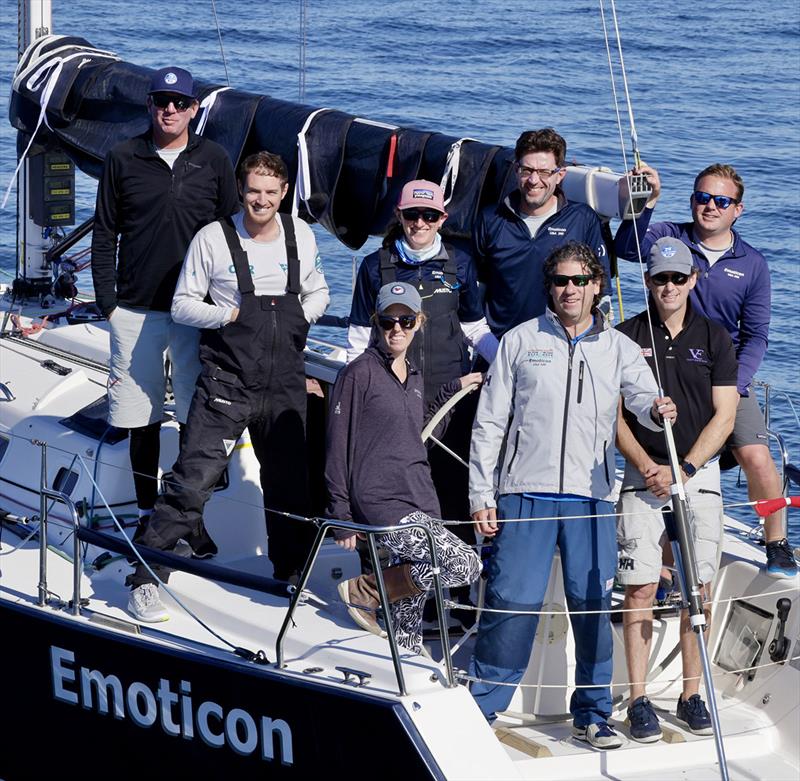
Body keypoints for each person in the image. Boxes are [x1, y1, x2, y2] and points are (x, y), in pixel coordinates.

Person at [468, 241, 677, 749]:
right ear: (551, 287)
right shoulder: (519, 340)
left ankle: (593, 714)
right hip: (525, 493)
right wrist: (481, 493)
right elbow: (490, 422)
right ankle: (482, 708)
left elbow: (644, 398)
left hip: (592, 497)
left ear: (597, 286)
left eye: (579, 281)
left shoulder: (620, 347)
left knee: (589, 607)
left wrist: (657, 409)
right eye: (561, 281)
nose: (569, 290)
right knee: (510, 602)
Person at [126, 151, 329, 622]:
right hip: (226, 384)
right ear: (242, 191)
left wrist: (304, 312)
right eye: (253, 190)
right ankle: (145, 577)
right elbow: (182, 305)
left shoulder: (301, 235)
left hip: (284, 384)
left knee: (290, 488)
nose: (261, 200)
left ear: (283, 194)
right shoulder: (213, 239)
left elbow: (318, 289)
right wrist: (230, 314)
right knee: (191, 481)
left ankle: (290, 574)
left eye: (271, 192)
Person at [615, 162, 797, 579]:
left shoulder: (752, 264)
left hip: (723, 373)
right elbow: (627, 246)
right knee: (658, 449)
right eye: (702, 197)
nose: (709, 206)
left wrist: (736, 383)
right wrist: (644, 205)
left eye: (721, 200)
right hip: (665, 367)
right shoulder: (669, 237)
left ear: (738, 209)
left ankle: (776, 541)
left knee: (756, 455)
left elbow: (757, 336)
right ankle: (658, 562)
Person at [91, 66, 239, 549]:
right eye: (160, 101)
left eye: (178, 102)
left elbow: (229, 237)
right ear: (150, 105)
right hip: (134, 310)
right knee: (142, 417)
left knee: (196, 418)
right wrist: (108, 303)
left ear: (194, 109)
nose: (169, 109)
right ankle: (144, 511)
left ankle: (188, 518)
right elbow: (105, 232)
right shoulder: (123, 156)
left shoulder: (214, 159)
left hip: (196, 309)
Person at [347, 179, 497, 627]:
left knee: (449, 497)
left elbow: (475, 329)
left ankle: (451, 598)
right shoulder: (375, 267)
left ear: (443, 220)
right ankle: (377, 594)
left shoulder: (462, 264)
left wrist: (509, 365)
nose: (420, 224)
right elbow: (358, 339)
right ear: (400, 215)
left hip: (453, 402)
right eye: (412, 215)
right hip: (396, 400)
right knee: (393, 496)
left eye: (430, 216)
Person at [615, 237, 739, 742]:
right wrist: (647, 466)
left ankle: (691, 694)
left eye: (677, 277)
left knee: (697, 587)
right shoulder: (622, 337)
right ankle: (639, 699)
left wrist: (685, 468)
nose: (668, 286)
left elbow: (725, 415)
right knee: (641, 584)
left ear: (693, 280)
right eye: (659, 277)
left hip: (697, 473)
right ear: (647, 281)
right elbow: (614, 414)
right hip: (641, 473)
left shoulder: (714, 339)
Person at [327, 282, 482, 654]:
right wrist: (341, 513)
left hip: (419, 496)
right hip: (382, 500)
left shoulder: (413, 376)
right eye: (388, 321)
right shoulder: (358, 374)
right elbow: (336, 445)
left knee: (408, 616)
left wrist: (452, 390)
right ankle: (365, 589)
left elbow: (418, 431)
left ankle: (405, 666)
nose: (397, 329)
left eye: (406, 320)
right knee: (466, 566)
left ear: (419, 322)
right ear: (376, 323)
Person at [472, 128, 611, 339]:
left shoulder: (583, 220)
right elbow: (474, 290)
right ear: (516, 170)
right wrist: (488, 348)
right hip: (501, 343)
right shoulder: (491, 218)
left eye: (544, 172)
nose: (534, 180)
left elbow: (602, 291)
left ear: (560, 175)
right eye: (527, 170)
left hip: (562, 344)